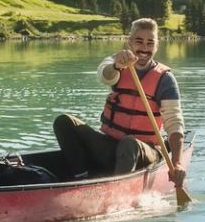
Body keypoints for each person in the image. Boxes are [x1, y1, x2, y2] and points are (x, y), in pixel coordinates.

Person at [53, 18, 186, 190]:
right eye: (139, 42)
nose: (144, 48)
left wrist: (177, 163)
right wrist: (116, 65)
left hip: (145, 151)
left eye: (150, 43)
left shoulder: (165, 80)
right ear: (129, 42)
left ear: (156, 46)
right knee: (64, 122)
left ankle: (116, 191)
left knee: (129, 143)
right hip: (110, 146)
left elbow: (174, 123)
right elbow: (105, 75)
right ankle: (82, 177)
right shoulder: (116, 62)